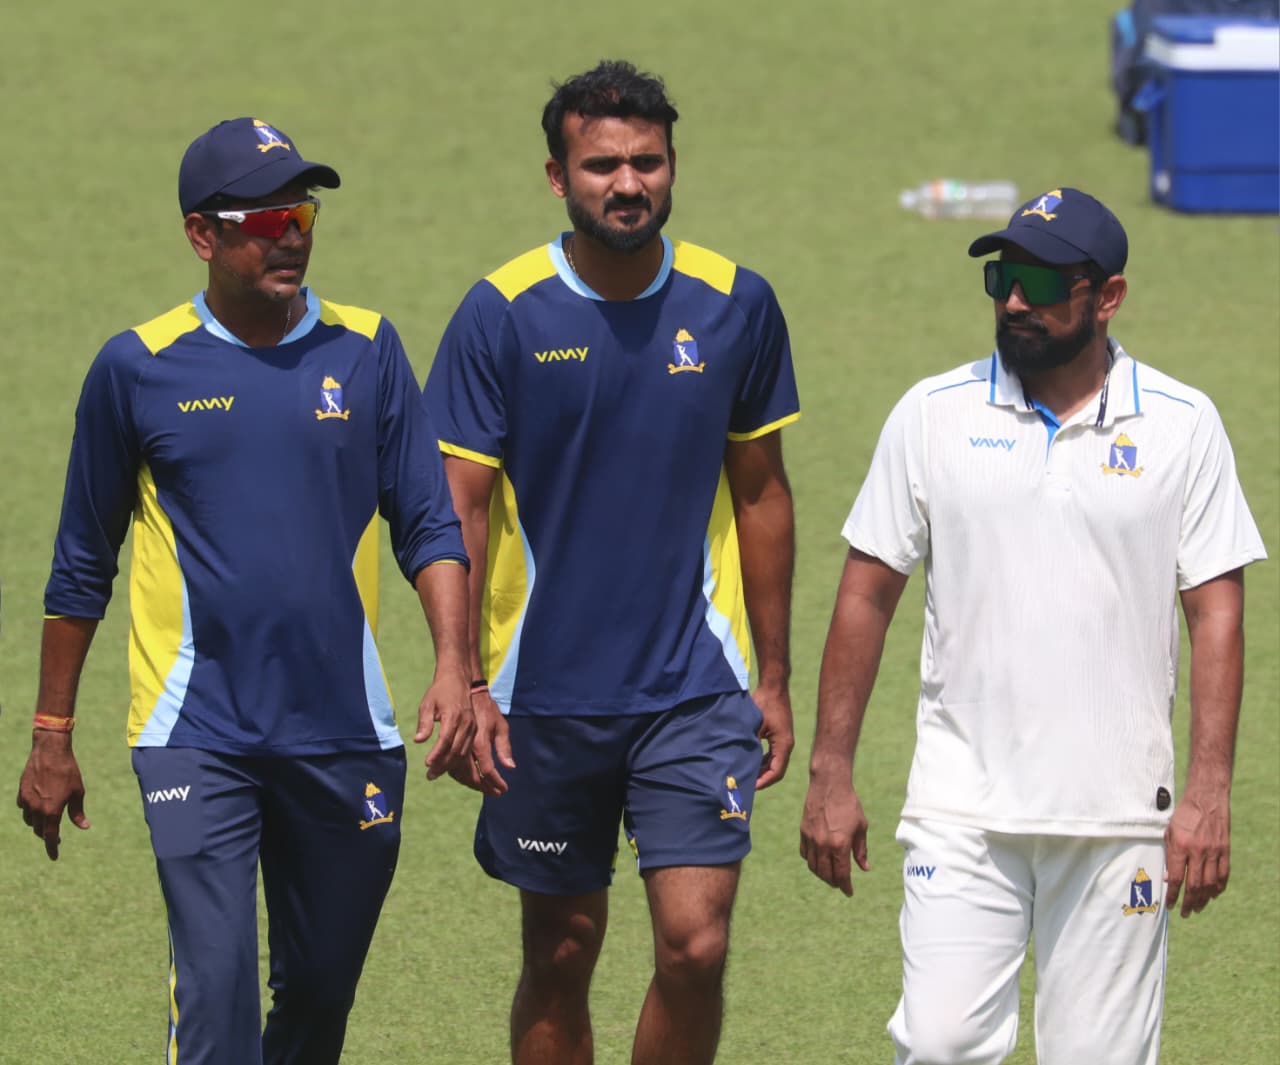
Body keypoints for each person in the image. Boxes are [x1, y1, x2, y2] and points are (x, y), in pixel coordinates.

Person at [15, 116, 485, 1065]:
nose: (292, 236)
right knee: (218, 991)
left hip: (344, 730)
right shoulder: (137, 368)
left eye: (301, 215)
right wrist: (51, 734)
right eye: (265, 220)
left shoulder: (367, 350)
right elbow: (81, 562)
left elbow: (430, 523)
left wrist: (454, 664)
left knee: (317, 996)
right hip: (197, 731)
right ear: (202, 234)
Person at [799, 187, 1267, 1064]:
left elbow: (1215, 611)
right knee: (937, 1045)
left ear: (1108, 295)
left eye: (1043, 282)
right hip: (961, 807)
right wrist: (831, 769)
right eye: (1002, 276)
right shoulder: (933, 413)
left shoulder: (1183, 426)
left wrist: (1208, 791)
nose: (1015, 299)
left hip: (1120, 814)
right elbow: (866, 592)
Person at [422, 60, 800, 1065]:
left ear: (672, 166)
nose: (627, 184)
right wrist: (463, 674)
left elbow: (762, 495)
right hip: (541, 692)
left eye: (647, 162)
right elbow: (456, 509)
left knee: (695, 945)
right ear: (558, 177)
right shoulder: (501, 313)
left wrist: (773, 676)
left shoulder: (735, 304)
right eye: (601, 166)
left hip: (696, 686)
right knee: (560, 950)